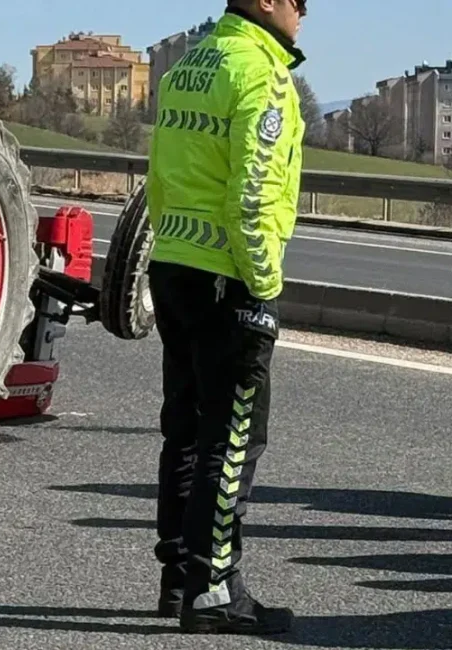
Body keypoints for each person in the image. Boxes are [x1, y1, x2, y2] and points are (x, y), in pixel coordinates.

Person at [144, 0, 307, 635]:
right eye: (299, 1)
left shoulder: (188, 65)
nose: (304, 12)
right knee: (232, 437)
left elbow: (159, 177)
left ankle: (180, 579)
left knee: (184, 429)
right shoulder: (262, 74)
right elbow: (253, 194)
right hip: (228, 277)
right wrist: (263, 287)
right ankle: (213, 589)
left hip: (174, 264)